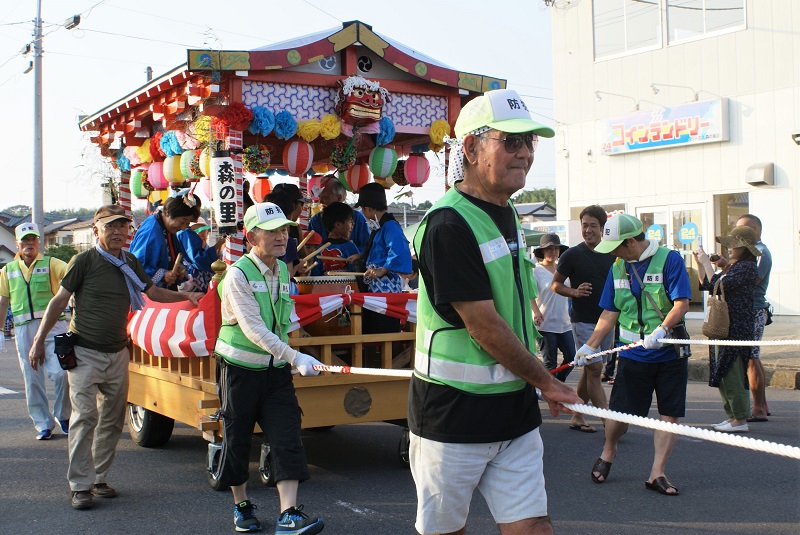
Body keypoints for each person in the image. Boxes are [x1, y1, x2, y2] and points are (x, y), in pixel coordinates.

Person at [409, 88, 581, 535]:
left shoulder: (508, 215)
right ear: (470, 147)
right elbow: (482, 325)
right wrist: (547, 382)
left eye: (531, 143)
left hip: (514, 413)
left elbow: (509, 296)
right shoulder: (448, 223)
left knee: (535, 527)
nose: (524, 153)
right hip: (451, 415)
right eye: (511, 141)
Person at [28, 205, 204, 510]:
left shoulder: (130, 261)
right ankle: (80, 485)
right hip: (84, 352)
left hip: (117, 352)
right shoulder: (84, 260)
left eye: (122, 226)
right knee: (85, 417)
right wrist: (38, 341)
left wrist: (185, 296)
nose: (118, 232)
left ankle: (98, 477)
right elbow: (60, 300)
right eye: (110, 226)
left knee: (111, 419)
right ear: (96, 230)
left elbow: (152, 292)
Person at [215, 202, 325, 534]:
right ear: (251, 236)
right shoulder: (237, 275)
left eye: (284, 230)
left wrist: (303, 356)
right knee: (237, 438)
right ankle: (241, 505)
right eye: (273, 231)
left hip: (275, 371)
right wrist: (296, 357)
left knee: (287, 435)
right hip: (239, 369)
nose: (282, 237)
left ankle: (288, 515)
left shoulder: (281, 270)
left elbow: (284, 321)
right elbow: (254, 330)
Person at [582, 214, 691, 496]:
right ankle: (609, 450)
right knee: (620, 414)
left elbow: (681, 303)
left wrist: (662, 331)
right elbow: (610, 311)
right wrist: (590, 345)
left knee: (669, 415)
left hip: (669, 353)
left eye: (616, 246)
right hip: (633, 355)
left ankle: (657, 473)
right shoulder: (618, 266)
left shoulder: (670, 260)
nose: (613, 253)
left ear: (630, 242)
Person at [0, 222, 71, 440]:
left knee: (62, 373)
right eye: (25, 240)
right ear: (17, 244)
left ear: (39, 242)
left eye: (33, 239)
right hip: (25, 331)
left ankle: (63, 415)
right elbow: (3, 301)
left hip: (55, 326)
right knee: (31, 379)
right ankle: (43, 424)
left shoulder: (52, 263)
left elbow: (73, 276)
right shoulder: (8, 271)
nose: (29, 243)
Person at [551, 205, 615, 433]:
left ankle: (578, 415)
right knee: (595, 368)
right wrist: (574, 292)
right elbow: (556, 285)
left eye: (593, 226)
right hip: (583, 320)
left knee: (590, 369)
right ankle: (608, 421)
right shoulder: (572, 255)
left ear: (602, 228)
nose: (587, 230)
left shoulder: (612, 252)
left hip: (608, 321)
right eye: (584, 225)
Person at [695, 226, 760, 432]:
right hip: (726, 326)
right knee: (722, 371)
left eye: (734, 245)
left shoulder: (748, 268)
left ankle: (740, 419)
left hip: (737, 328)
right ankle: (732, 416)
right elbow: (707, 284)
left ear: (746, 248)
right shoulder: (734, 266)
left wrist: (706, 262)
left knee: (732, 373)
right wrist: (700, 263)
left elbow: (717, 285)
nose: (729, 248)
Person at [715, 215, 772, 421]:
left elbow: (748, 283)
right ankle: (759, 406)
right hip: (747, 310)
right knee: (748, 358)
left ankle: (758, 407)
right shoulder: (750, 259)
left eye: (740, 232)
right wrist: (726, 266)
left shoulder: (761, 254)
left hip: (753, 310)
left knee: (751, 358)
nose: (733, 240)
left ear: (754, 230)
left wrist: (727, 271)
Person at [354, 182, 413, 334]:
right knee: (374, 327)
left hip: (385, 289)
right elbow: (381, 252)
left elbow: (400, 251)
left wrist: (383, 270)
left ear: (368, 208)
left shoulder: (389, 226)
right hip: (377, 289)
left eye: (363, 208)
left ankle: (387, 357)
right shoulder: (381, 225)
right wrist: (361, 256)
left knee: (383, 328)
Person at [130, 191, 202, 289]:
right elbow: (137, 268)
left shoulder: (167, 228)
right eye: (183, 221)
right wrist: (163, 275)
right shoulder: (151, 231)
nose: (183, 227)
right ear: (168, 213)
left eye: (188, 223)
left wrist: (178, 270)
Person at [533, 233, 575, 383]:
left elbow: (571, 291)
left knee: (572, 357)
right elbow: (530, 294)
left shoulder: (563, 270)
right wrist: (536, 312)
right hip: (545, 322)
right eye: (549, 249)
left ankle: (557, 383)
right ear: (542, 252)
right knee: (550, 363)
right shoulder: (536, 271)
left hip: (564, 322)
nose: (553, 252)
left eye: (556, 248)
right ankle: (551, 391)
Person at [308, 177, 370, 250]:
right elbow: (310, 247)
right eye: (319, 197)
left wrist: (353, 254)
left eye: (325, 197)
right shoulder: (316, 220)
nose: (321, 201)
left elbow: (367, 246)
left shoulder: (357, 218)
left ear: (339, 198)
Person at [178, 216, 225, 292]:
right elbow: (200, 259)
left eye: (203, 230)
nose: (200, 234)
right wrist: (218, 245)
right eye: (195, 231)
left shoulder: (212, 250)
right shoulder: (187, 256)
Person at [320, 202, 361, 273]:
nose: (353, 224)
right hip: (349, 284)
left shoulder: (319, 249)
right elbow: (357, 270)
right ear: (338, 224)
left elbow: (315, 274)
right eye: (350, 221)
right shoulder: (349, 246)